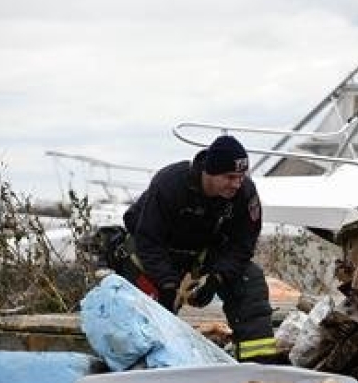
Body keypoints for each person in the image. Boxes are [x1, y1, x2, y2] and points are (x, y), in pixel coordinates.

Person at [111, 135, 278, 363]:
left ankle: (259, 364)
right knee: (147, 306)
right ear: (209, 172)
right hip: (155, 256)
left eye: (241, 177)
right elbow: (148, 240)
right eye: (230, 177)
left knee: (250, 279)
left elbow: (243, 244)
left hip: (204, 255)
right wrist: (169, 284)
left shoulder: (244, 194)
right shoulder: (169, 184)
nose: (237, 184)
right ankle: (141, 365)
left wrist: (217, 278)